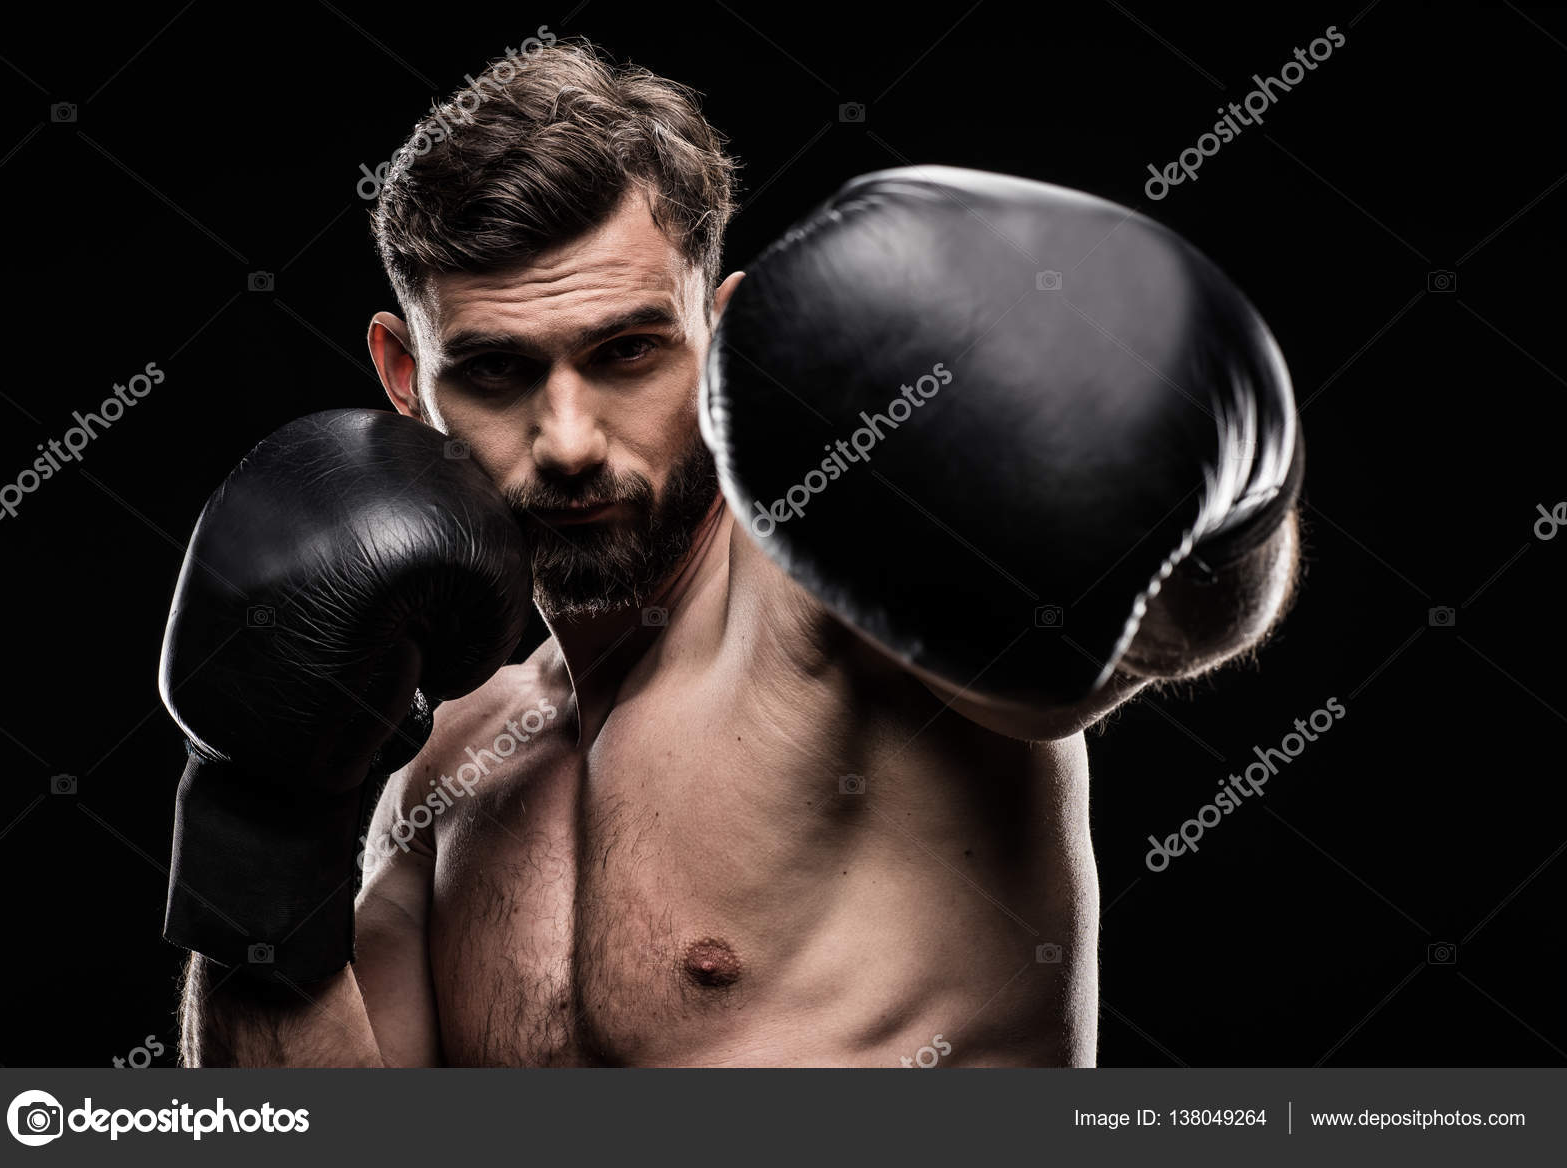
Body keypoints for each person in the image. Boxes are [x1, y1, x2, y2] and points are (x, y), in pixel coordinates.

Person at [161, 40, 1300, 1067]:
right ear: (405, 382)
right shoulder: (441, 768)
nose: (566, 443)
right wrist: (259, 815)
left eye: (626, 352)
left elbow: (1150, 628)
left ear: (726, 345)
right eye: (497, 371)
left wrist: (1228, 518)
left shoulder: (844, 612)